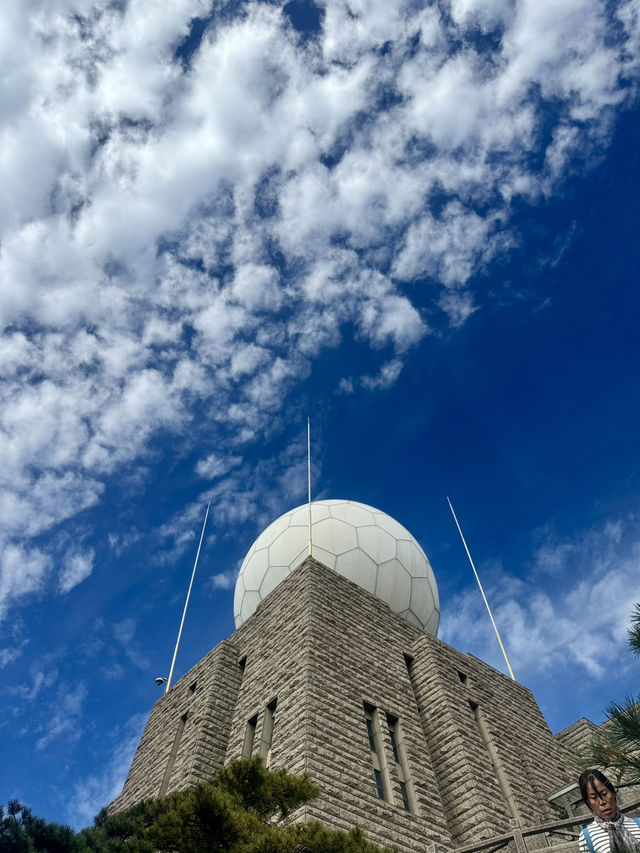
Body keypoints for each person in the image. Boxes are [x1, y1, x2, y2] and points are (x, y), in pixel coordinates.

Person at [578, 769, 640, 853]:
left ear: (612, 792)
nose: (602, 802)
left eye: (604, 794)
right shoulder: (587, 836)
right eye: (594, 798)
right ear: (588, 802)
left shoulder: (638, 824)